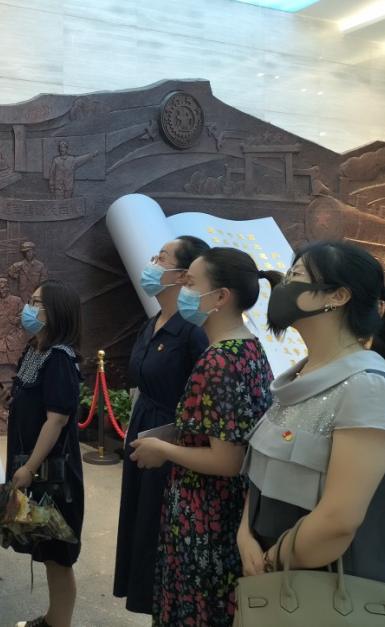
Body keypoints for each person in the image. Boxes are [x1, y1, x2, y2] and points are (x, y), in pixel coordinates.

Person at [237, 241, 385, 611]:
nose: (282, 285)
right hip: (275, 580)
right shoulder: (299, 378)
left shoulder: (366, 387)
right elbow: (263, 475)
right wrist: (245, 536)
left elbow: (338, 520)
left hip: (327, 590)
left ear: (338, 296)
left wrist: (269, 562)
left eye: (296, 276)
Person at [130, 247, 280, 627]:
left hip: (204, 516)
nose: (184, 290)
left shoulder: (220, 361)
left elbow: (227, 460)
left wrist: (163, 449)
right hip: (225, 510)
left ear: (220, 297)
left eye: (192, 283)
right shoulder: (247, 347)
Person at [113, 235, 210, 615]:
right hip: (144, 432)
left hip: (172, 445)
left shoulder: (192, 331)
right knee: (140, 524)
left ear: (184, 274)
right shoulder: (152, 323)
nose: (152, 264)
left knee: (159, 529)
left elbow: (203, 400)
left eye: (161, 258)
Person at [0, 279, 84, 627]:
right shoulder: (34, 350)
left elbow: (57, 419)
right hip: (33, 465)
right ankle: (53, 619)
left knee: (58, 554)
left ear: (56, 312)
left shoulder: (60, 358)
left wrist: (31, 468)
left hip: (51, 472)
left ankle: (59, 623)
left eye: (37, 303)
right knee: (47, 549)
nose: (29, 308)